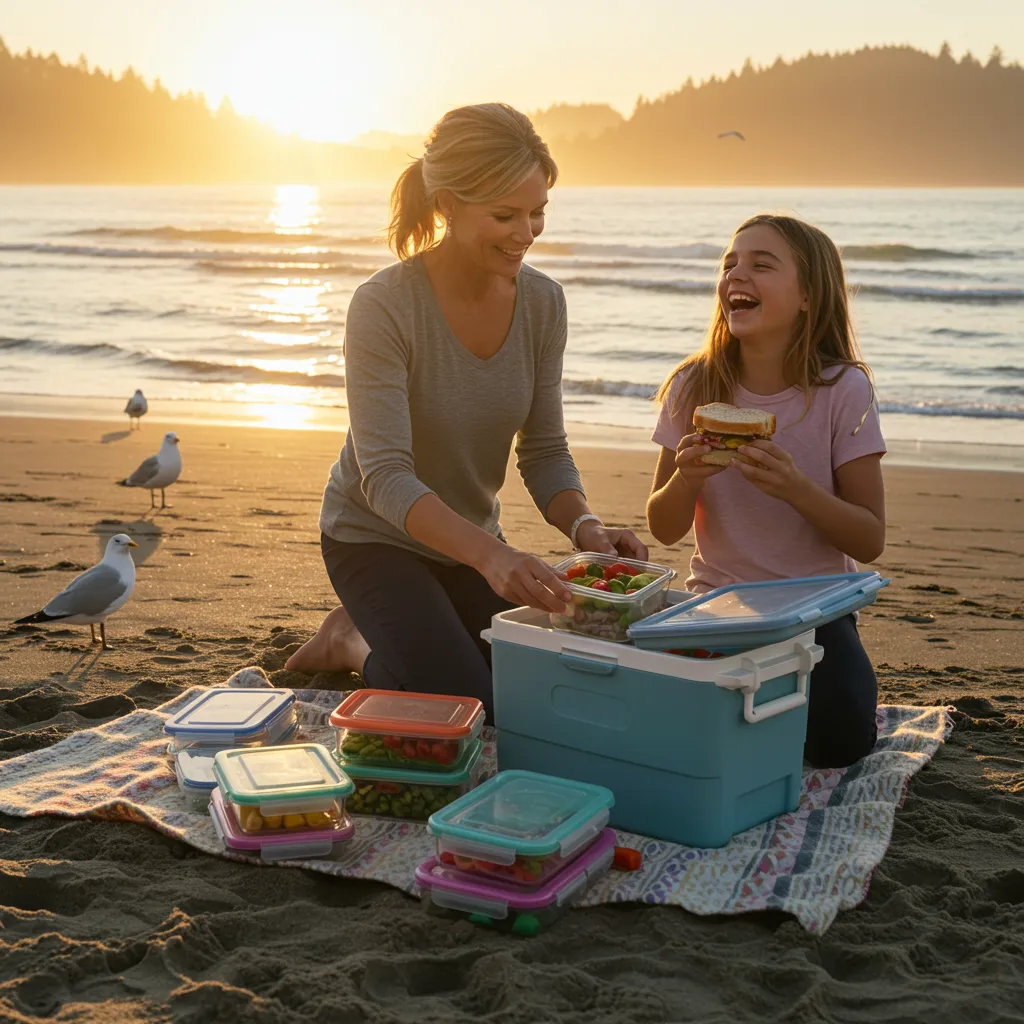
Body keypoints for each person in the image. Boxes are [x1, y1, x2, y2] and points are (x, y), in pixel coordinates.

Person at [286, 103, 646, 718]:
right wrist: (492, 556)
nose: (525, 232)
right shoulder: (384, 306)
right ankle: (347, 638)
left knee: (529, 689)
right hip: (373, 538)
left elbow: (544, 450)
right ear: (448, 204)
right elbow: (387, 478)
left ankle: (389, 628)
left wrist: (587, 531)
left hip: (473, 545)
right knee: (467, 705)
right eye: (504, 215)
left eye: (537, 213)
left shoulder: (544, 305)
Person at [646, 214, 886, 768]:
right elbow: (662, 526)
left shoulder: (842, 389)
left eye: (761, 264)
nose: (737, 275)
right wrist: (688, 477)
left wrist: (796, 488)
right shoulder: (694, 386)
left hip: (814, 610)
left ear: (808, 295)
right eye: (730, 263)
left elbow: (869, 538)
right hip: (717, 604)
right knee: (678, 729)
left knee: (841, 743)